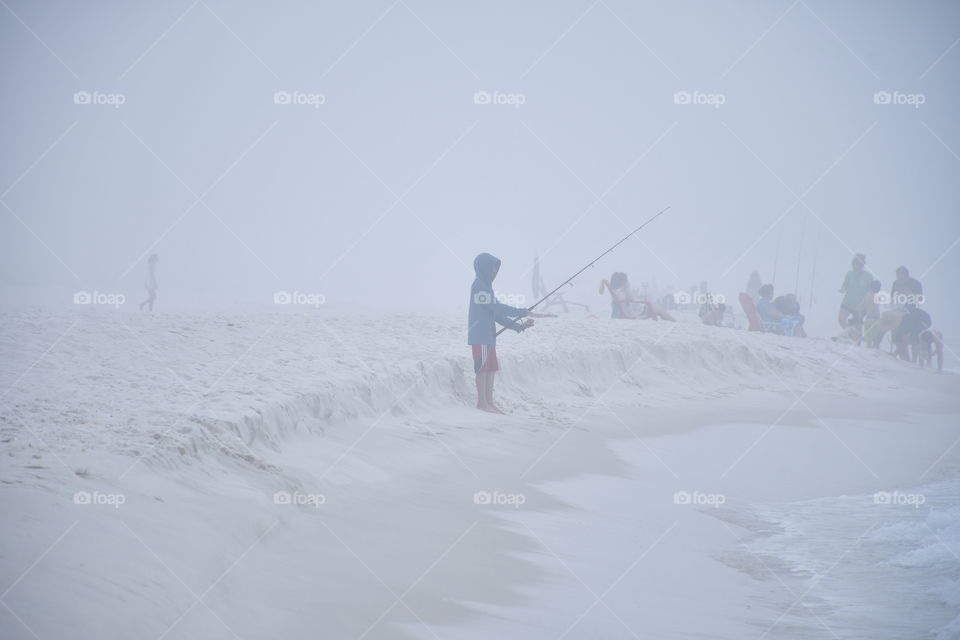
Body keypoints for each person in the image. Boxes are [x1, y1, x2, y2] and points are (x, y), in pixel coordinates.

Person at [468, 253, 533, 414]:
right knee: (482, 368)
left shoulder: (486, 287)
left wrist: (519, 326)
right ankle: (481, 403)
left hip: (489, 336)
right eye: (492, 268)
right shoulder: (478, 286)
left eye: (496, 269)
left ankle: (489, 402)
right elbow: (497, 307)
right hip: (480, 335)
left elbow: (496, 315)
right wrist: (522, 311)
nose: (495, 272)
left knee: (491, 368)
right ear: (484, 268)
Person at [602, 272, 676, 321]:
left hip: (632, 310)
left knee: (657, 308)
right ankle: (674, 322)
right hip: (633, 312)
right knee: (660, 310)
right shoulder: (622, 291)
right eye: (626, 281)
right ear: (623, 281)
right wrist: (627, 289)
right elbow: (630, 299)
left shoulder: (616, 291)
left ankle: (672, 320)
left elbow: (627, 300)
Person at [838, 253, 873, 328]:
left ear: (862, 265)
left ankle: (854, 336)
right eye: (854, 264)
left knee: (858, 327)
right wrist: (843, 289)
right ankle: (849, 332)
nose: (855, 266)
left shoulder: (868, 277)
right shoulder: (849, 274)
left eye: (858, 264)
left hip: (860, 306)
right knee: (841, 319)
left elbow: (871, 290)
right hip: (847, 302)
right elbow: (845, 284)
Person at [860, 280, 883, 347]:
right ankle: (873, 349)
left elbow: (861, 307)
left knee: (868, 338)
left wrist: (861, 316)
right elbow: (875, 309)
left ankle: (868, 348)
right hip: (875, 319)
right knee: (875, 336)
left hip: (867, 319)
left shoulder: (866, 296)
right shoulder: (877, 297)